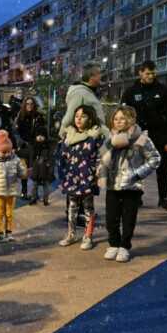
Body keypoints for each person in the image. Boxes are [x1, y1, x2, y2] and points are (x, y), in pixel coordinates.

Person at [99, 106, 160, 263]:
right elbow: (103, 158)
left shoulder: (141, 139)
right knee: (111, 218)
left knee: (128, 218)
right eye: (116, 119)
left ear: (131, 119)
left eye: (122, 118)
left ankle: (124, 246)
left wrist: (137, 173)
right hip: (113, 184)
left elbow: (155, 158)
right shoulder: (110, 139)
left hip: (131, 186)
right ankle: (113, 244)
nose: (119, 122)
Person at [121, 60, 167, 211]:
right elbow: (124, 113)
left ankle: (163, 198)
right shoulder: (131, 91)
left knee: (162, 166)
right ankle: (137, 196)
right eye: (147, 73)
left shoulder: (164, 90)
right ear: (140, 73)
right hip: (138, 135)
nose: (151, 76)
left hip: (159, 134)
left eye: (153, 73)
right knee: (137, 166)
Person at [58, 105, 105, 250]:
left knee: (88, 208)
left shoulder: (95, 136)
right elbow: (62, 157)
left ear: (90, 118)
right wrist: (63, 175)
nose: (79, 119)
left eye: (83, 116)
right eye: (77, 116)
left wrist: (98, 174)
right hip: (72, 177)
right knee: (72, 208)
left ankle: (88, 236)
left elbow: (99, 157)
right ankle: (71, 234)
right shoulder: (69, 136)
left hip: (87, 177)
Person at [0, 130, 27, 242]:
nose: (6, 154)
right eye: (3, 151)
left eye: (8, 151)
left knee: (9, 214)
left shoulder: (15, 159)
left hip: (11, 191)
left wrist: (24, 170)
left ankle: (9, 232)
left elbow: (22, 174)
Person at [59, 61, 108, 138]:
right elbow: (69, 117)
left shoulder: (88, 92)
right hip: (87, 140)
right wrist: (63, 136)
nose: (101, 76)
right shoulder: (80, 93)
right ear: (91, 77)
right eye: (99, 73)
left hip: (94, 138)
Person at [15, 96, 45, 200]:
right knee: (25, 169)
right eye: (27, 103)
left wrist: (40, 136)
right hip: (24, 146)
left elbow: (42, 129)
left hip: (35, 146)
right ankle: (24, 191)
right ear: (24, 105)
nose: (29, 106)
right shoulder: (21, 116)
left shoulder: (38, 116)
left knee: (34, 169)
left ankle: (34, 192)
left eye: (31, 103)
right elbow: (17, 132)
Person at [29, 128, 54, 206]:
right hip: (36, 168)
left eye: (42, 136)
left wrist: (49, 166)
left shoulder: (48, 146)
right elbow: (31, 157)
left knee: (45, 185)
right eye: (38, 135)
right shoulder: (34, 145)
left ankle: (45, 199)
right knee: (34, 185)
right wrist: (31, 166)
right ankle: (34, 198)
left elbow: (51, 158)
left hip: (45, 169)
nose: (39, 137)